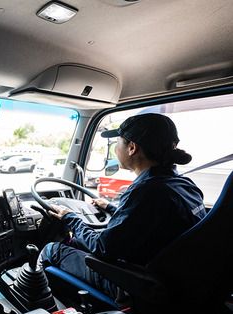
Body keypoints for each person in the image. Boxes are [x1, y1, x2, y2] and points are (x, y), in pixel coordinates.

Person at [39, 113, 206, 299]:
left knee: (52, 250)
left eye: (117, 142)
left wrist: (70, 218)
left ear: (132, 148)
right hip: (175, 280)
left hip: (134, 283)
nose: (115, 148)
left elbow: (102, 248)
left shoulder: (147, 191)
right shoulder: (183, 184)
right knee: (77, 243)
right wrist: (111, 208)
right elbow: (151, 223)